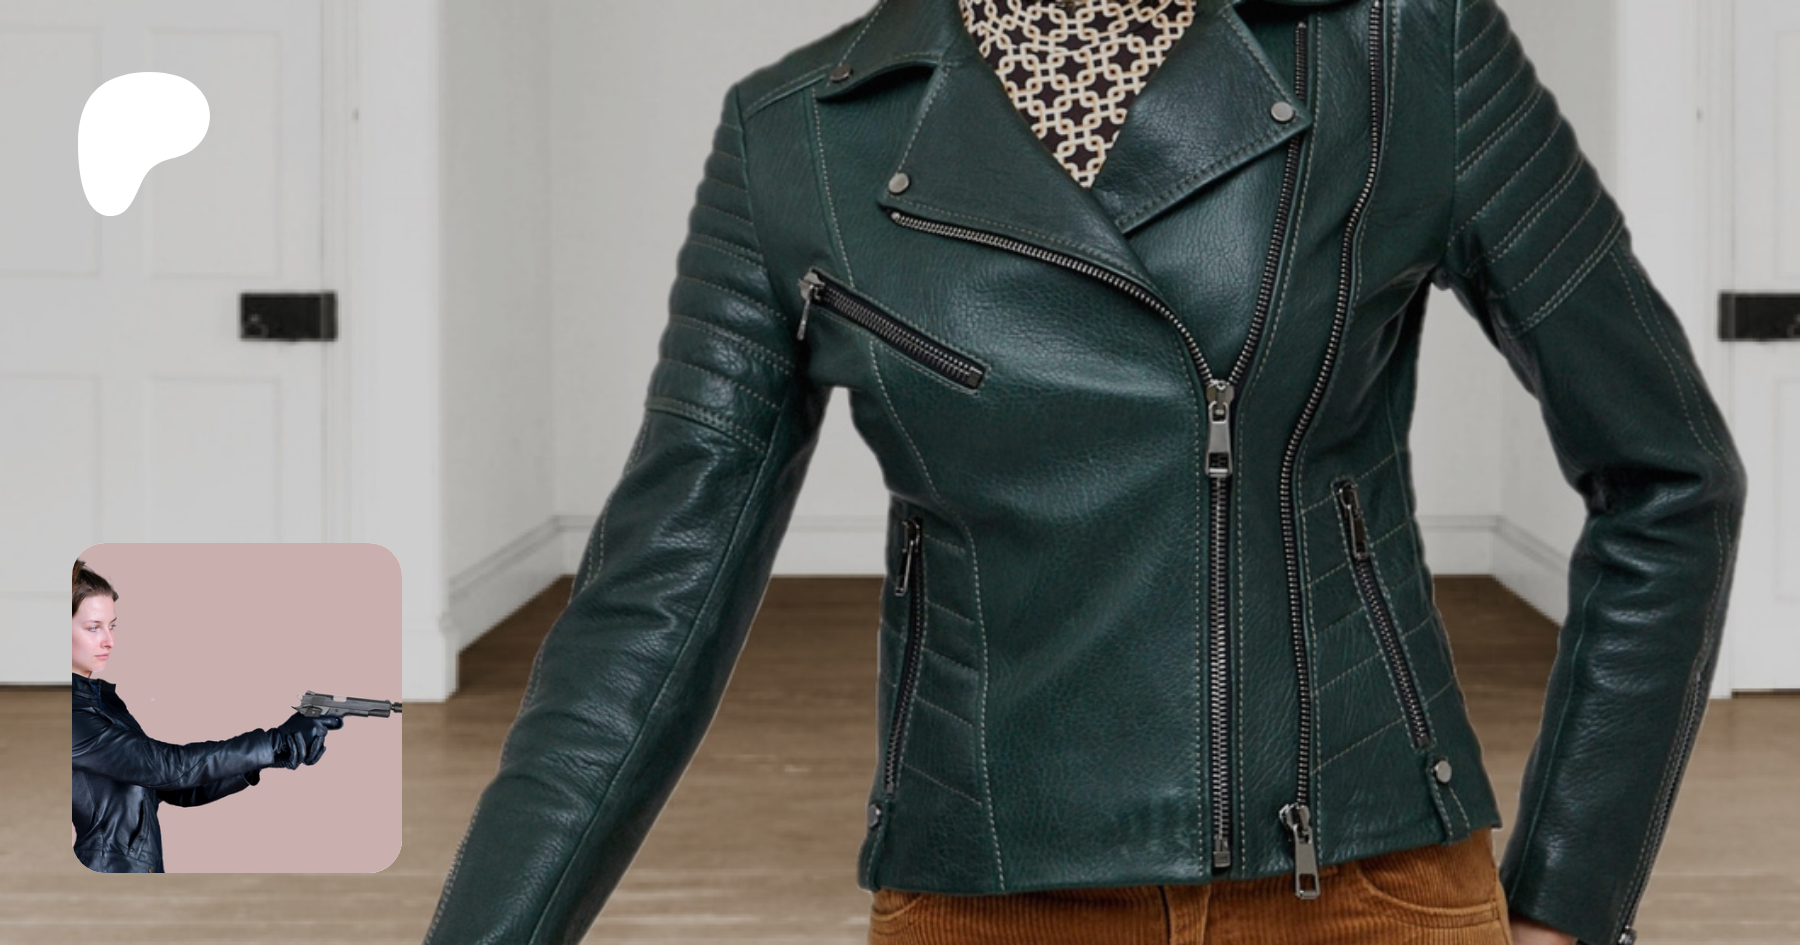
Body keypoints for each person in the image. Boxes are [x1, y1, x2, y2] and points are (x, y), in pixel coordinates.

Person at [421, 0, 1746, 943]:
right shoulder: (799, 141)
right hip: (984, 900)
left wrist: (1571, 900)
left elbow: (1671, 473)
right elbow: (650, 614)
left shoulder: (1406, 46)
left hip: (1361, 888)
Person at [70, 559, 341, 873]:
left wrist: (267, 757)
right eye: (94, 628)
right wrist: (273, 741)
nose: (110, 641)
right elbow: (166, 767)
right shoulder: (69, 714)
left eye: (112, 626)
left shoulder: (104, 702)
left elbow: (176, 788)